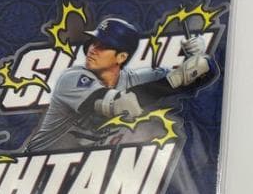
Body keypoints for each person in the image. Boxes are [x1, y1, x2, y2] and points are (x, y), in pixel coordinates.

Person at [22, 16, 213, 151]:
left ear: (121, 57)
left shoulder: (134, 78)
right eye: (93, 42)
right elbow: (121, 104)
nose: (93, 49)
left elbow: (199, 78)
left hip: (82, 168)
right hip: (37, 164)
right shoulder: (72, 79)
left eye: (103, 46)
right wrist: (177, 78)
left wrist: (200, 59)